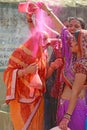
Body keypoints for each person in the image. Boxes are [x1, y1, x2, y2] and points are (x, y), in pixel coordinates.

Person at [3, 2, 63, 130]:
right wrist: (26, 71)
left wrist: (52, 67)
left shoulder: (43, 55)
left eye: (47, 44)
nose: (46, 46)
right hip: (21, 102)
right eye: (44, 43)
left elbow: (43, 78)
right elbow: (8, 73)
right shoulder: (20, 52)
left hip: (37, 101)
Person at [39, 3, 87, 130]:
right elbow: (63, 30)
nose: (71, 30)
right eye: (70, 26)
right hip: (63, 104)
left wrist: (67, 116)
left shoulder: (83, 63)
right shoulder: (71, 54)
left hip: (75, 108)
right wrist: (46, 10)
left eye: (76, 27)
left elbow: (76, 91)